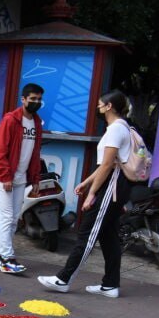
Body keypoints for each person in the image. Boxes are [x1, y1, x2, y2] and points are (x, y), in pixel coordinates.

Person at [38, 91, 134, 299]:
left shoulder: (116, 129)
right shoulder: (121, 128)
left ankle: (64, 279)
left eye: (100, 104)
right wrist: (87, 182)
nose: (97, 107)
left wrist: (92, 194)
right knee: (109, 237)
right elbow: (106, 164)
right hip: (115, 186)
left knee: (87, 233)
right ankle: (110, 285)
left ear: (109, 106)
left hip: (112, 186)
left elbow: (108, 165)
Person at [0, 83, 44, 274]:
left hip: (21, 179)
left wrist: (35, 179)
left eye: (39, 100)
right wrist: (6, 176)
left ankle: (1, 255)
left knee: (13, 219)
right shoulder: (11, 120)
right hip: (4, 178)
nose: (36, 102)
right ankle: (7, 257)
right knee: (5, 217)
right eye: (32, 99)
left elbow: (35, 153)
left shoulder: (36, 123)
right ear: (23, 99)